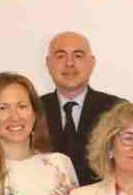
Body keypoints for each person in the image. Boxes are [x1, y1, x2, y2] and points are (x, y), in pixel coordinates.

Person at [42, 31, 125, 185]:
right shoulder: (32, 111)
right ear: (48, 63)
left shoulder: (117, 110)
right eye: (61, 56)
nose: (69, 63)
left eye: (78, 55)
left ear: (91, 62)